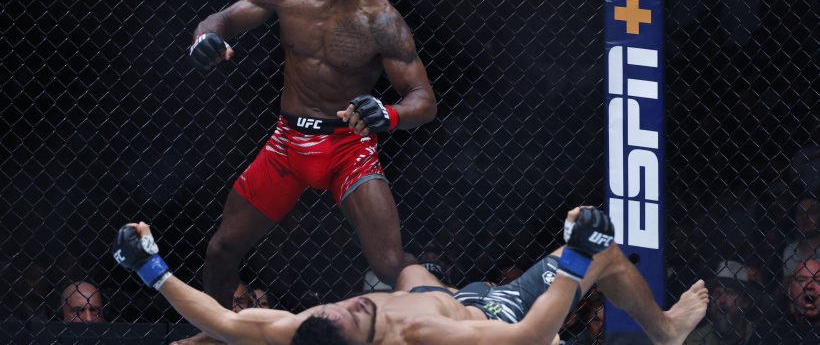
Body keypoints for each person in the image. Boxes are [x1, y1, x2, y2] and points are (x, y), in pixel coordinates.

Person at [184, 0, 436, 342]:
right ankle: (216, 336)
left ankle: (442, 320)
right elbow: (223, 18)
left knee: (390, 264)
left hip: (348, 147)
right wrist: (206, 38)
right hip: (288, 145)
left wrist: (390, 114)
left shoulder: (382, 19)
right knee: (222, 249)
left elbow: (424, 100)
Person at [112, 207, 708, 345]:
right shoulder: (424, 339)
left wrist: (150, 266)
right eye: (347, 319)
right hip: (500, 320)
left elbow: (218, 319)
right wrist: (576, 257)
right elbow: (523, 336)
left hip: (455, 295)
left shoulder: (300, 330)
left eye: (331, 310)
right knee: (605, 256)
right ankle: (667, 332)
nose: (342, 307)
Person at [683, 260, 762, 345]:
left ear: (746, 302)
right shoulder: (694, 341)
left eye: (730, 293)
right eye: (717, 294)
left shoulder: (761, 336)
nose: (722, 300)